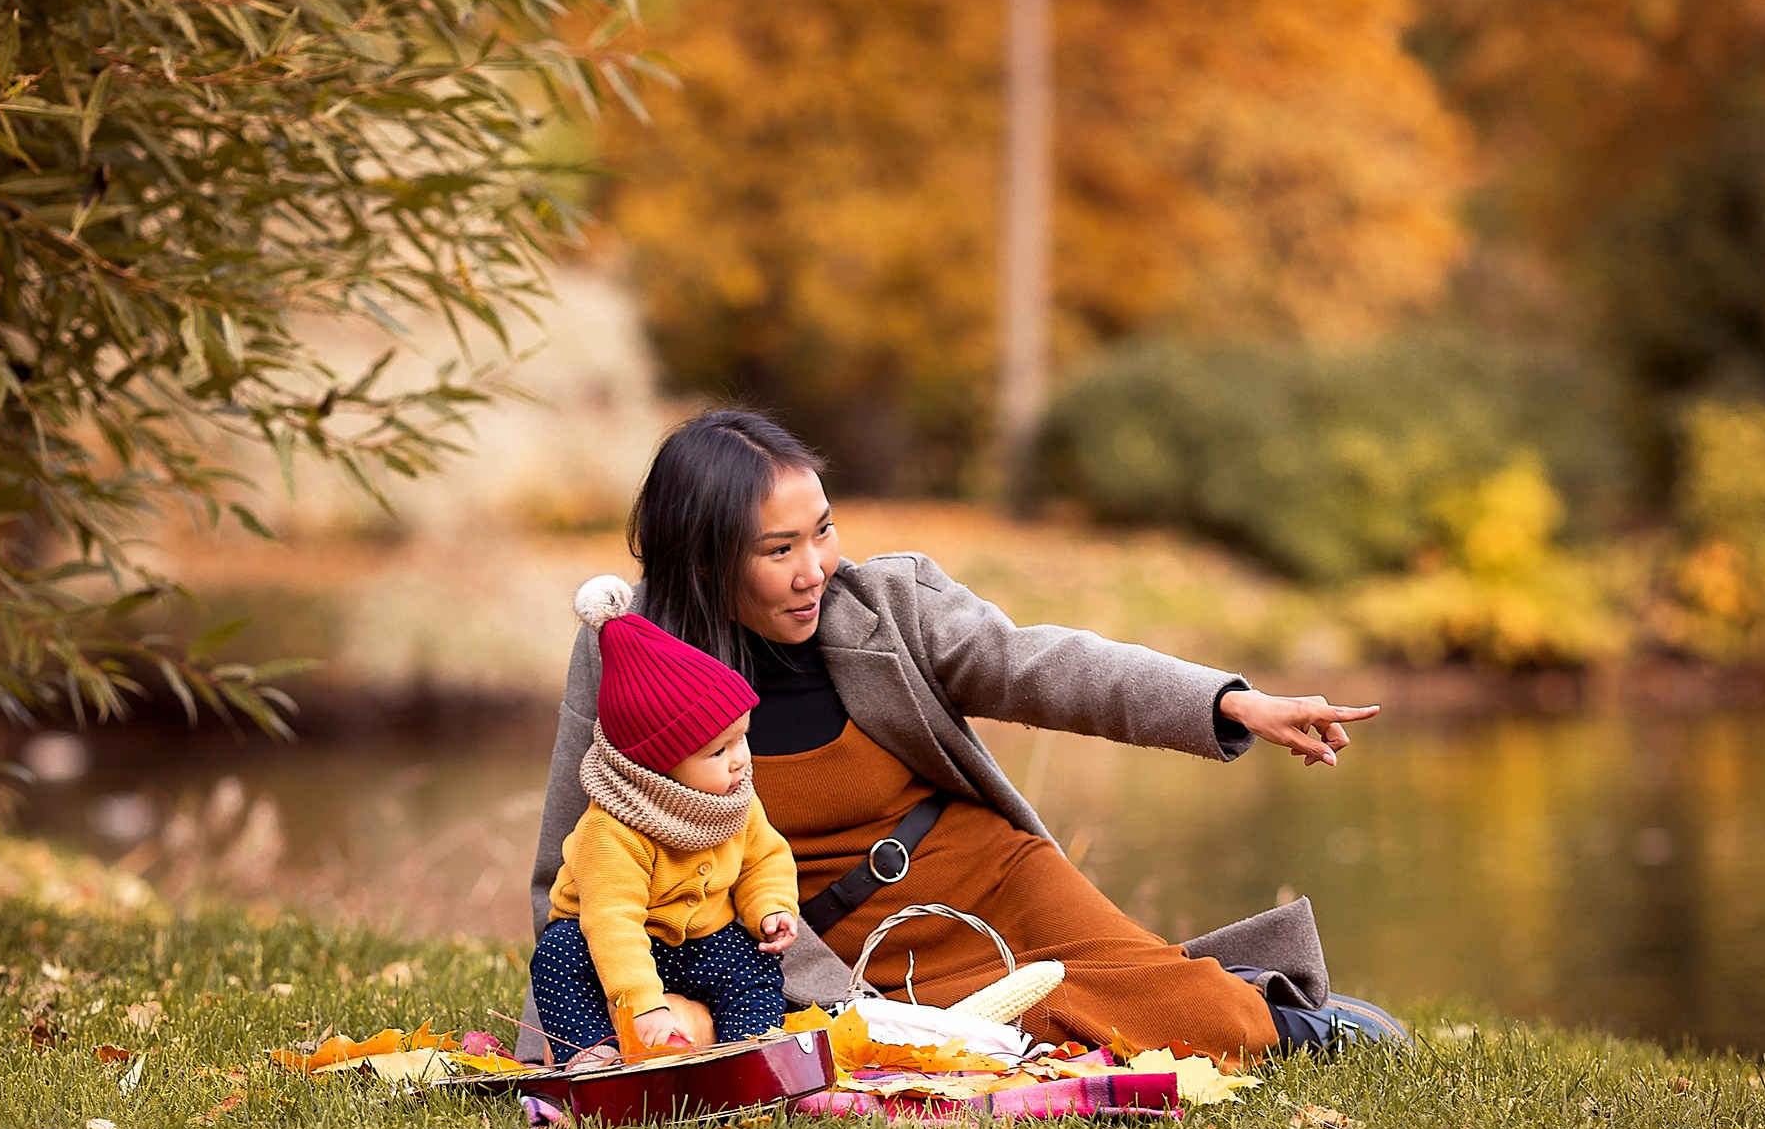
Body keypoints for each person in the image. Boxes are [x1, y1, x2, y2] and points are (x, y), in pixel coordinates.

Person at [527, 409, 1406, 1065]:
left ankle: (1277, 1013)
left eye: (823, 529)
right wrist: (577, 1023)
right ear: (706, 560)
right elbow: (575, 851)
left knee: (1192, 1015)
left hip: (991, 873)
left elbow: (1045, 667)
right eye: (778, 549)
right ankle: (1226, 991)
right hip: (825, 949)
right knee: (1022, 1045)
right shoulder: (630, 657)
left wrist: (1230, 703)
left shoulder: (885, 605)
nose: (815, 568)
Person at [531, 574, 802, 1067]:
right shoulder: (614, 828)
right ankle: (592, 1053)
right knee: (558, 958)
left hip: (702, 941)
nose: (740, 760)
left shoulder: (734, 799)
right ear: (659, 765)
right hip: (610, 943)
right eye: (719, 750)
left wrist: (770, 907)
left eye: (741, 738)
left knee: (755, 968)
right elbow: (613, 922)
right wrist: (642, 1007)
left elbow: (764, 856)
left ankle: (747, 1053)